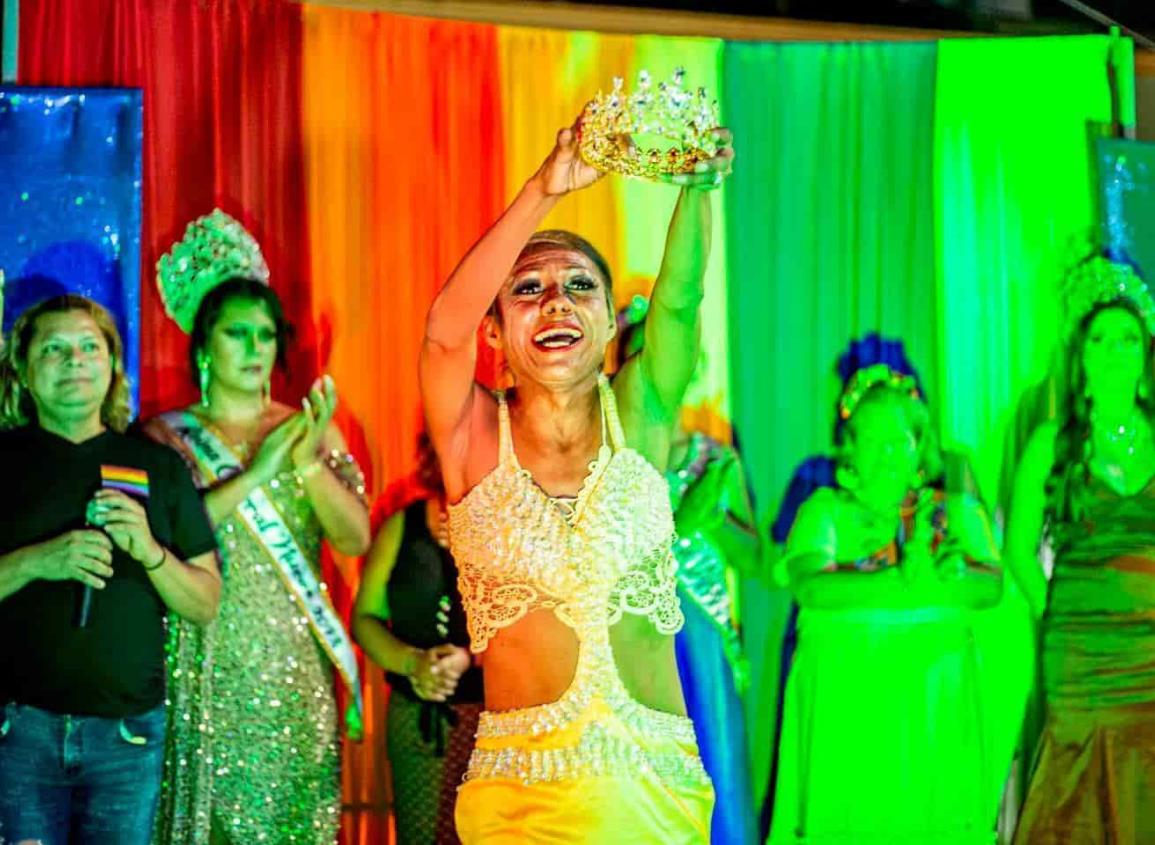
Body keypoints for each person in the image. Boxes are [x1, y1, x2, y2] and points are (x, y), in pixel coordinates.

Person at [420, 120, 732, 842]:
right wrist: (542, 191)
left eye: (579, 286)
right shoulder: (472, 438)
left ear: (608, 321)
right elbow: (441, 334)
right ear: (495, 331)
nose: (556, 300)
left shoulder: (642, 414)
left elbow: (679, 302)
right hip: (518, 801)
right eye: (527, 289)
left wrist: (697, 188)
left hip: (652, 790)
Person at [145, 210, 370, 844]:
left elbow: (355, 540)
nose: (253, 349)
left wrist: (304, 465)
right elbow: (159, 541)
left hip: (292, 666)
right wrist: (253, 475)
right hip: (202, 658)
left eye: (265, 335)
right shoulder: (164, 440)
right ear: (202, 345)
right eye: (236, 334)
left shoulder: (307, 428)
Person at [0, 295, 220, 845]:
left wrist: (149, 550)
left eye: (88, 347)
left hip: (127, 738)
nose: (74, 360)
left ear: (113, 365)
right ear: (24, 372)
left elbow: (204, 603)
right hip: (18, 732)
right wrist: (37, 562)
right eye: (53, 349)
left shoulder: (159, 466)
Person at [769, 365, 1002, 845]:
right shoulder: (824, 511)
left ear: (920, 447)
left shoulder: (958, 512)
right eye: (871, 440)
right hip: (850, 711)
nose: (886, 454)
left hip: (934, 709)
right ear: (849, 447)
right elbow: (812, 588)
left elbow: (990, 588)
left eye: (898, 440)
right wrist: (903, 579)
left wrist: (945, 574)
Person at [1008, 256, 1155, 843]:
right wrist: (1062, 616)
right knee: (1076, 791)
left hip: (1150, 649)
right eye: (1102, 339)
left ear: (1145, 354)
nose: (1115, 351)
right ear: (1084, 356)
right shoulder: (1053, 441)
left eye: (1128, 339)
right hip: (1081, 654)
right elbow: (1019, 548)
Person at [618, 301, 761, 845]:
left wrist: (713, 516)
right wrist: (682, 521)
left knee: (714, 780)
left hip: (703, 647)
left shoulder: (714, 458)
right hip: (632, 650)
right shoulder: (607, 459)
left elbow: (757, 564)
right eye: (637, 361)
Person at [353, 434, 483, 844]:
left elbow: (541, 625)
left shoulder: (521, 530)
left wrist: (471, 657)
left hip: (496, 716)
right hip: (418, 718)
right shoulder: (404, 524)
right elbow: (365, 617)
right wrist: (412, 663)